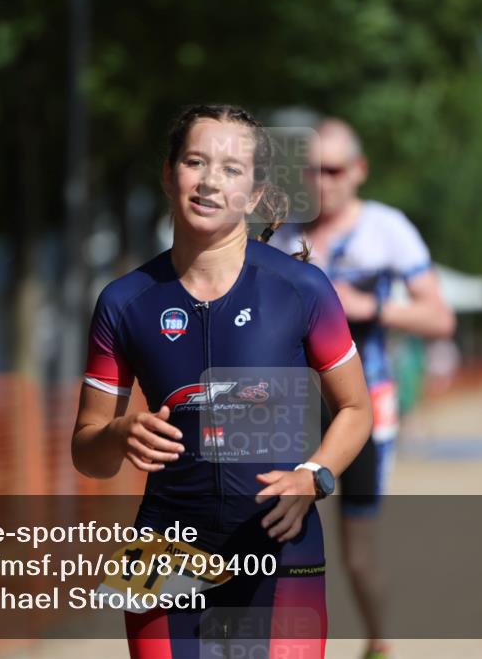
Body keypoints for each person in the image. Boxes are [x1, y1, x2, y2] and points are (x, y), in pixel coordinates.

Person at [71, 104, 374, 658]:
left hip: (280, 541)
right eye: (195, 162)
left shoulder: (301, 289)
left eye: (232, 169)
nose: (211, 180)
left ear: (255, 194)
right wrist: (118, 435)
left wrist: (315, 475)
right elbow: (88, 451)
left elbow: (356, 408)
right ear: (169, 174)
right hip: (163, 549)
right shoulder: (123, 303)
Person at [270, 118, 455, 659]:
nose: (321, 182)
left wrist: (370, 307)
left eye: (332, 170)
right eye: (310, 170)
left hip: (363, 406)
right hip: (293, 409)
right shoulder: (284, 231)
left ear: (358, 171)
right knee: (279, 534)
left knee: (357, 556)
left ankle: (379, 642)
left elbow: (440, 318)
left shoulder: (386, 228)